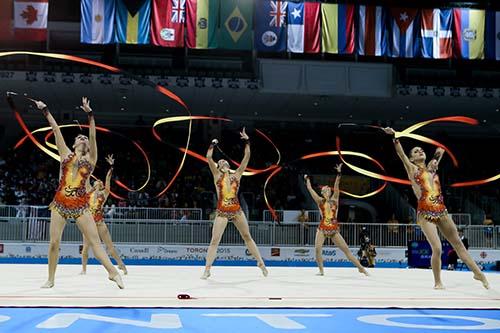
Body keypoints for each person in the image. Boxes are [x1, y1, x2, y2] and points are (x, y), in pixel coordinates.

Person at [33, 97, 124, 289]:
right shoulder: (65, 153)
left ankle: (113, 273)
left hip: (81, 206)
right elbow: (56, 130)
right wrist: (45, 110)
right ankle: (50, 279)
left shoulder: (91, 159)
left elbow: (93, 136)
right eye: (79, 138)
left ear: (89, 147)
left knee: (95, 243)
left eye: (84, 139)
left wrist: (90, 114)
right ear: (73, 144)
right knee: (54, 243)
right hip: (59, 203)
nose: (83, 139)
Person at [384, 127, 488, 289]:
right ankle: (438, 282)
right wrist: (394, 137)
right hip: (425, 213)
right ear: (412, 159)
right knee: (437, 248)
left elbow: (441, 150)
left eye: (421, 150)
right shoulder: (412, 169)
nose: (419, 152)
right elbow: (401, 154)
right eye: (416, 152)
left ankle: (478, 273)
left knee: (458, 244)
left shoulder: (432, 167)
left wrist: (440, 140)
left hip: (441, 210)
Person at [201, 128, 267, 279]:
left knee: (247, 236)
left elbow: (247, 157)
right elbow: (208, 157)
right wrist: (212, 144)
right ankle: (207, 269)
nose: (223, 161)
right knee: (215, 240)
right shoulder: (216, 175)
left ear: (228, 166)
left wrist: (247, 141)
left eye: (224, 161)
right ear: (219, 167)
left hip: (237, 210)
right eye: (221, 162)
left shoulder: (237, 175)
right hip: (222, 211)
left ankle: (261, 263)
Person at [304, 164, 368, 276]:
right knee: (317, 249)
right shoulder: (320, 201)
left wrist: (339, 173)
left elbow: (337, 185)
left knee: (346, 251)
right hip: (323, 228)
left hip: (333, 229)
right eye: (325, 189)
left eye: (329, 189)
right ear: (323, 193)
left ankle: (361, 268)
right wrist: (307, 179)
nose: (328, 189)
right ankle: (321, 270)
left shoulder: (335, 199)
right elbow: (309, 189)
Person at [81, 154, 127, 276]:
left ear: (101, 185)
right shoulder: (89, 192)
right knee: (85, 247)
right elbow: (85, 178)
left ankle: (121, 265)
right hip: (89, 224)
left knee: (110, 248)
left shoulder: (104, 193)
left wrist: (111, 166)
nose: (98, 181)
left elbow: (108, 178)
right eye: (96, 181)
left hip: (100, 223)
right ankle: (84, 269)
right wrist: (86, 164)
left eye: (99, 182)